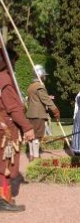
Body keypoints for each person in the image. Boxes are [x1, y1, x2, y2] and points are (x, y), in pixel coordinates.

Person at [0, 45, 35, 212]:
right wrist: (27, 128)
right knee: (5, 164)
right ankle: (3, 199)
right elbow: (14, 108)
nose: (14, 64)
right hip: (5, 130)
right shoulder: (4, 79)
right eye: (13, 60)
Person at [26, 64, 60, 161]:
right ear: (40, 75)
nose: (45, 77)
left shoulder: (30, 86)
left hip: (30, 114)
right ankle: (36, 157)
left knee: (31, 136)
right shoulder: (39, 87)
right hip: (38, 115)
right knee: (37, 137)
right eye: (44, 75)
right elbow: (46, 100)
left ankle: (31, 156)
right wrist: (55, 110)